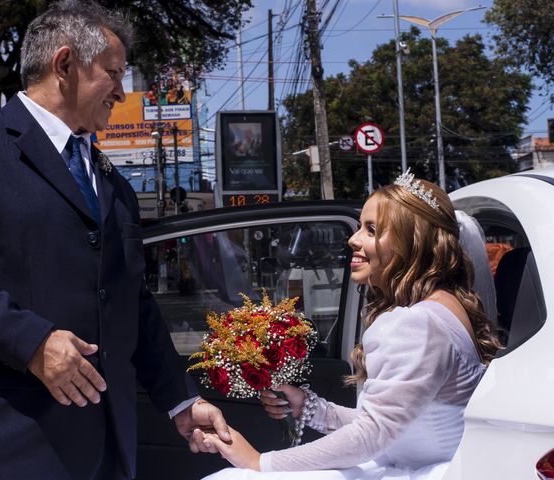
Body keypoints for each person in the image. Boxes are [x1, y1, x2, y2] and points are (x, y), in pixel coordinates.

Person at [0, 1, 229, 479]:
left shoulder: (112, 181)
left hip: (109, 446)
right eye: (113, 73)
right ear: (65, 65)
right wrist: (33, 342)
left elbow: (132, 302)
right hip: (14, 442)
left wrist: (180, 399)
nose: (122, 92)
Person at [200, 170, 502, 480]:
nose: (353, 239)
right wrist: (308, 406)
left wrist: (259, 462)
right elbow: (393, 422)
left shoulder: (418, 323)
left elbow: (373, 434)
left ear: (411, 242)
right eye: (360, 227)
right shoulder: (444, 308)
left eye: (371, 230)